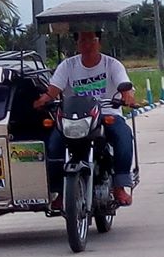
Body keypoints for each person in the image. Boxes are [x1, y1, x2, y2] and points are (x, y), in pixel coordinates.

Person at [35, 28, 138, 210]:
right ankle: (59, 192)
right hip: (72, 116)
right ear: (77, 44)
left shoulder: (112, 64)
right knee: (53, 145)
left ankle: (120, 186)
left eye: (92, 40)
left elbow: (125, 85)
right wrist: (42, 100)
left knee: (123, 136)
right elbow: (53, 90)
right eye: (83, 40)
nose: (88, 44)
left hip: (106, 113)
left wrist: (127, 96)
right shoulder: (68, 66)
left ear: (99, 42)